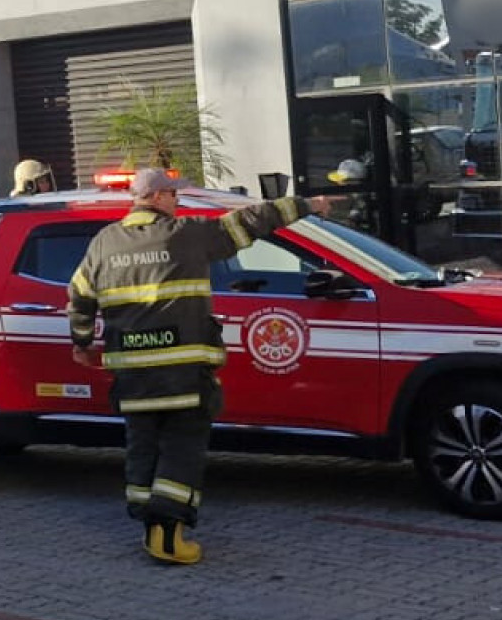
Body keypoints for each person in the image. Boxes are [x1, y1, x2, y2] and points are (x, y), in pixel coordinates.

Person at [68, 168, 330, 566]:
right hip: (182, 372)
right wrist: (306, 205)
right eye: (174, 194)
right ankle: (168, 538)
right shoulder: (186, 234)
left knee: (142, 446)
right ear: (158, 197)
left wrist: (83, 343)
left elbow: (79, 296)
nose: (177, 201)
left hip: (132, 376)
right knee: (182, 447)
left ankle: (149, 524)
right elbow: (251, 221)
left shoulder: (104, 242)